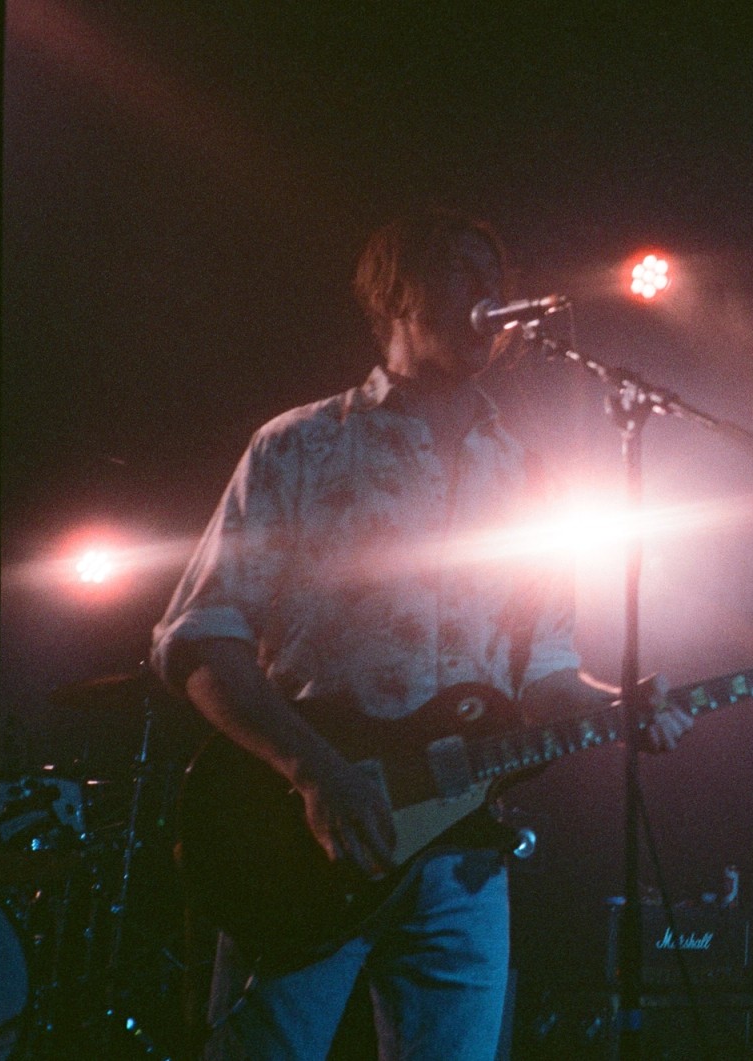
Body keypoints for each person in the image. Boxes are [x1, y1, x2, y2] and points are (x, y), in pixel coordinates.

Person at [151, 206, 694, 1060]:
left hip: (462, 857)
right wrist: (316, 772)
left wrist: (618, 701)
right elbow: (199, 641)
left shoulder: (528, 475)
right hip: (303, 833)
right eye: (463, 273)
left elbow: (546, 668)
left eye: (496, 276)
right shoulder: (299, 447)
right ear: (396, 297)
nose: (490, 295)